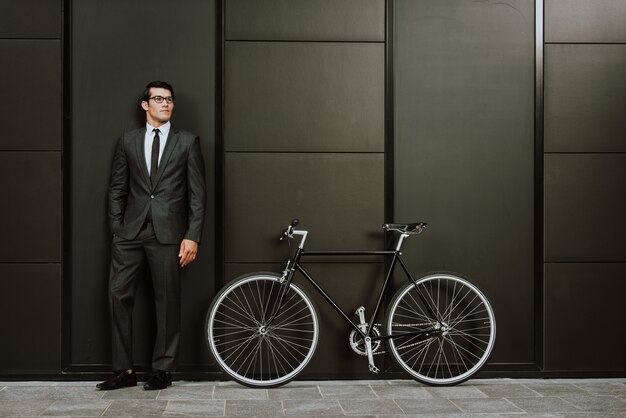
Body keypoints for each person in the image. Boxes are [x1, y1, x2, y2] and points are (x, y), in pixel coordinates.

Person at [97, 81, 206, 391]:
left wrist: (192, 235)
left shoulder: (187, 142)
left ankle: (162, 369)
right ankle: (124, 370)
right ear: (145, 104)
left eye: (169, 99)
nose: (165, 104)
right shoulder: (128, 141)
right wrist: (117, 227)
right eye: (158, 99)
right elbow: (117, 187)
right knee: (118, 295)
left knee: (167, 301)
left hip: (169, 232)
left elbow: (198, 195)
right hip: (129, 232)